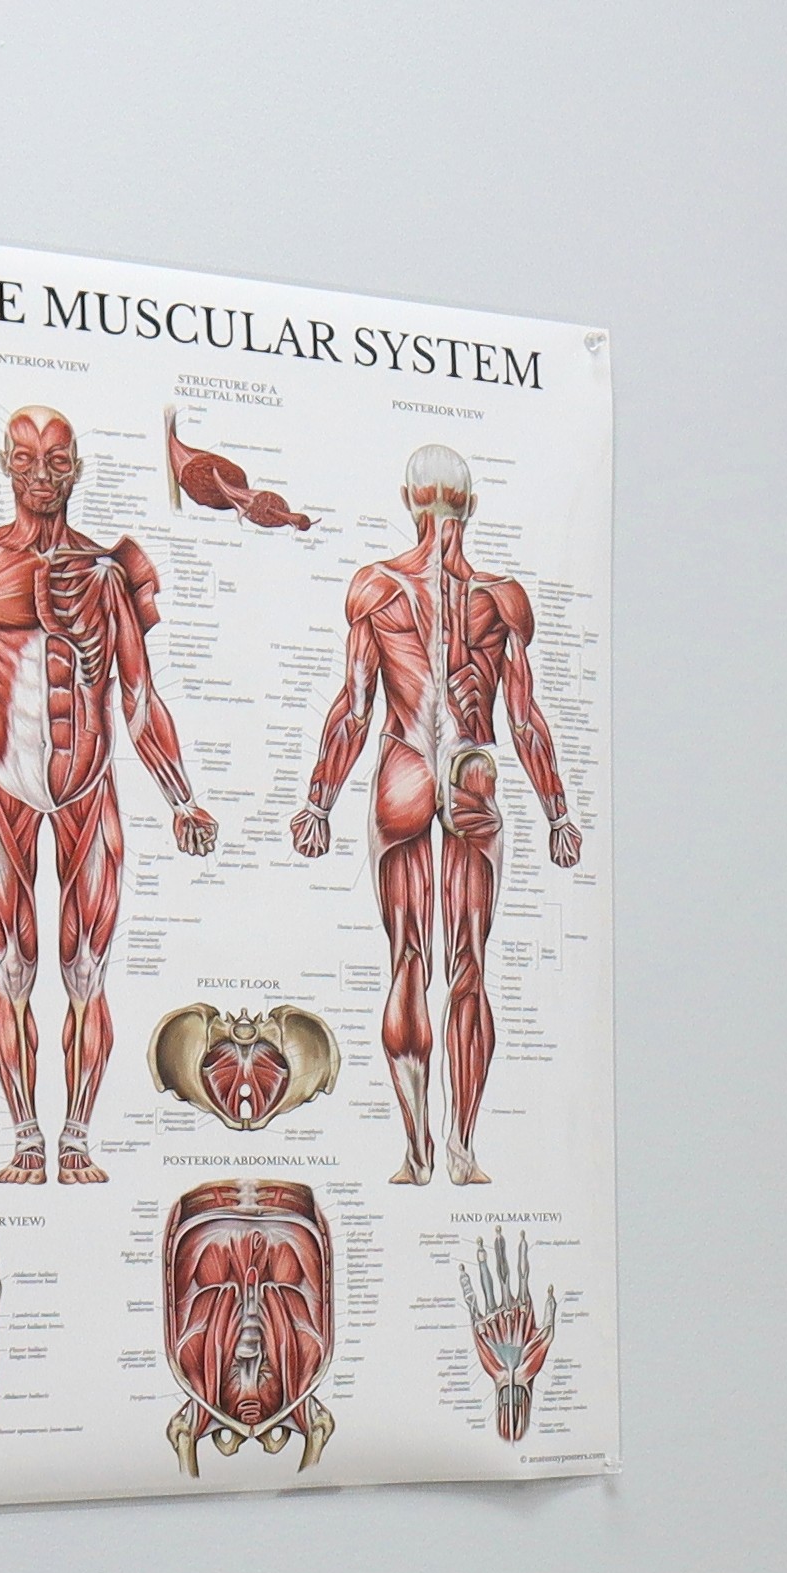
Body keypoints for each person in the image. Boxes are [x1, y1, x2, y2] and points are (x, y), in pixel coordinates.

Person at [0, 410, 211, 1184]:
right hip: (5, 785)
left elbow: (138, 696)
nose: (42, 475)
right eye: (26, 459)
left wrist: (181, 798)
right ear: (4, 465)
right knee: (13, 971)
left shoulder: (109, 574)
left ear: (78, 468)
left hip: (90, 789)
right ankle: (27, 1134)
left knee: (87, 971)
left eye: (56, 460)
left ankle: (79, 1135)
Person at [291, 445, 580, 1185]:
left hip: (404, 772)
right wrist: (557, 814)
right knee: (470, 970)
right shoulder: (503, 599)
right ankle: (462, 1148)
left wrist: (319, 800)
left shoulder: (376, 589)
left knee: (408, 962)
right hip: (473, 776)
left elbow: (353, 709)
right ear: (471, 506)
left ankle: (415, 1146)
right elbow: (524, 719)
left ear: (406, 499)